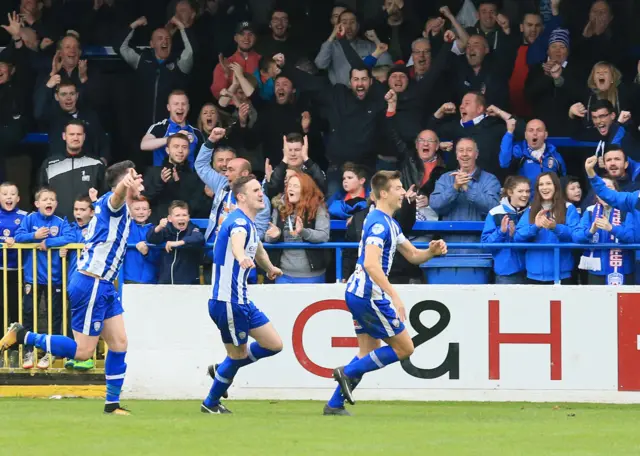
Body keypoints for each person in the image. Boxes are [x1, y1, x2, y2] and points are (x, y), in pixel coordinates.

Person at [0, 161, 144, 415]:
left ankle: (112, 404)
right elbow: (118, 194)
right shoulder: (115, 202)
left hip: (103, 285)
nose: (140, 180)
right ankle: (23, 336)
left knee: (119, 343)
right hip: (91, 284)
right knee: (83, 352)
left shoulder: (111, 205)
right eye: (135, 176)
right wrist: (124, 184)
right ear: (125, 181)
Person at [327, 171, 447, 415]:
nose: (403, 192)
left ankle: (334, 404)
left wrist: (431, 252)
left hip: (359, 293)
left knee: (367, 353)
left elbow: (413, 255)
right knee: (405, 348)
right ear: (384, 193)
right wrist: (393, 294)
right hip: (368, 295)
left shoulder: (389, 223)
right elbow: (371, 263)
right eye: (398, 188)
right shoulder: (379, 224)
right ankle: (347, 372)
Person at [203, 175, 284, 414]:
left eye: (261, 189)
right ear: (241, 197)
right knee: (237, 356)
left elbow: (257, 249)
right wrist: (240, 257)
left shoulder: (249, 223)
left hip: (241, 300)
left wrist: (269, 268)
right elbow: (239, 244)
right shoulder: (238, 223)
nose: (261, 194)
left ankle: (221, 369)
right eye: (255, 190)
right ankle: (210, 402)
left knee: (273, 344)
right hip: (227, 301)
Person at [14, 187, 73, 369]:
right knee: (28, 313)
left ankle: (51, 352)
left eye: (52, 199)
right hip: (32, 278)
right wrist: (34, 236)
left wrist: (48, 242)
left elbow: (70, 237)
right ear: (37, 203)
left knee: (55, 316)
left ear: (56, 204)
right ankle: (28, 351)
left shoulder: (60, 221)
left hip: (54, 278)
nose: (49, 202)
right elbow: (18, 236)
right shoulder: (30, 219)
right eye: (45, 199)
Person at [430, 138, 501, 250]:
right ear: (457, 155)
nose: (464, 154)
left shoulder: (490, 180)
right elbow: (435, 205)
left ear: (476, 154)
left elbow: (494, 207)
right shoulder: (445, 179)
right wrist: (455, 188)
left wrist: (468, 189)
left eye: (469, 150)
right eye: (461, 150)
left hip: (479, 247)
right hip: (448, 247)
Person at [514, 172, 580, 284]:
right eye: (541, 184)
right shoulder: (531, 209)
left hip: (561, 274)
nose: (544, 187)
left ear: (556, 186)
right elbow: (518, 237)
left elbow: (576, 235)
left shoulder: (568, 208)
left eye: (548, 183)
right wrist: (535, 227)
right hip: (533, 274)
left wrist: (555, 227)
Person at [264, 172, 330, 284]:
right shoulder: (280, 207)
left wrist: (303, 232)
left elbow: (323, 236)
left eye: (296, 186)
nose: (290, 189)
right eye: (289, 186)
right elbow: (268, 237)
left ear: (306, 189)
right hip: (283, 274)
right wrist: (274, 235)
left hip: (312, 275)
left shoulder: (318, 208)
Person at [573, 176, 635, 285]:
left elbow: (632, 236)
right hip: (597, 270)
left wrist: (611, 228)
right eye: (602, 189)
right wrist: (590, 231)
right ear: (597, 194)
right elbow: (576, 236)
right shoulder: (590, 211)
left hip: (623, 270)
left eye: (609, 188)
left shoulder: (627, 210)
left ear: (616, 192)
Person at [39, 120, 105, 221]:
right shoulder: (49, 164)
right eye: (72, 134)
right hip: (57, 225)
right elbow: (41, 195)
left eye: (79, 134)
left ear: (84, 137)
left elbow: (104, 197)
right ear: (64, 136)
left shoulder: (96, 164)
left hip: (88, 225)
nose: (75, 138)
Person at [142, 132, 208, 223]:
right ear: (167, 150)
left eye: (184, 147)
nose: (180, 151)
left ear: (188, 151)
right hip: (156, 228)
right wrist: (160, 182)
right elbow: (144, 200)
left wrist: (177, 185)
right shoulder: (153, 172)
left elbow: (193, 207)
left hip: (182, 229)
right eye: (176, 146)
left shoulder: (195, 177)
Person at [481, 176, 530, 284]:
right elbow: (485, 245)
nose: (525, 195)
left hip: (531, 272)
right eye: (520, 191)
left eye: (527, 191)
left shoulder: (532, 211)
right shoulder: (495, 213)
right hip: (506, 273)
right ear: (510, 192)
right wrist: (501, 232)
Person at [141, 90, 205, 169]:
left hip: (189, 178)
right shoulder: (160, 127)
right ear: (168, 107)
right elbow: (144, 145)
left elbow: (204, 160)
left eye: (183, 104)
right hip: (162, 177)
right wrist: (174, 138)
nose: (180, 107)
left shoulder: (196, 133)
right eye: (176, 104)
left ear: (188, 107)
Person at [499, 117, 566, 192]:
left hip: (549, 201)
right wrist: (509, 133)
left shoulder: (554, 156)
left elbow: (562, 181)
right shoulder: (519, 152)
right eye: (531, 130)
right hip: (525, 201)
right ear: (525, 135)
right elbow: (504, 162)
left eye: (539, 130)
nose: (535, 133)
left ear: (545, 135)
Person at [0, 182, 27, 367]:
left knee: (16, 311)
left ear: (18, 198)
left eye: (12, 194)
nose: (8, 197)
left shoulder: (25, 217)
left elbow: (32, 235)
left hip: (18, 272)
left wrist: (17, 240)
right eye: (4, 194)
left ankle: (16, 350)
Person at [147, 200, 204, 285]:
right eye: (177, 215)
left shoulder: (192, 228)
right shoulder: (166, 229)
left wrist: (177, 243)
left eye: (184, 215)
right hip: (165, 282)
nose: (181, 218)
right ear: (170, 218)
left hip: (188, 283)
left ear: (188, 217)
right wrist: (159, 227)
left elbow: (199, 238)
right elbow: (151, 238)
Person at [264, 133, 326, 198]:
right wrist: (285, 159)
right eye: (289, 150)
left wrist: (305, 157)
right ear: (284, 151)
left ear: (304, 150)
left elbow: (322, 186)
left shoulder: (312, 171)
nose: (293, 154)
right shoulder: (276, 173)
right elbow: (272, 194)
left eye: (297, 150)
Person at [123, 196, 158, 285]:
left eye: (144, 209)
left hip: (151, 279)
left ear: (149, 212)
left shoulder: (155, 230)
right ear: (130, 212)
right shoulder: (126, 227)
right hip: (129, 277)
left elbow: (158, 256)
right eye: (137, 209)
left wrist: (147, 253)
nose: (141, 212)